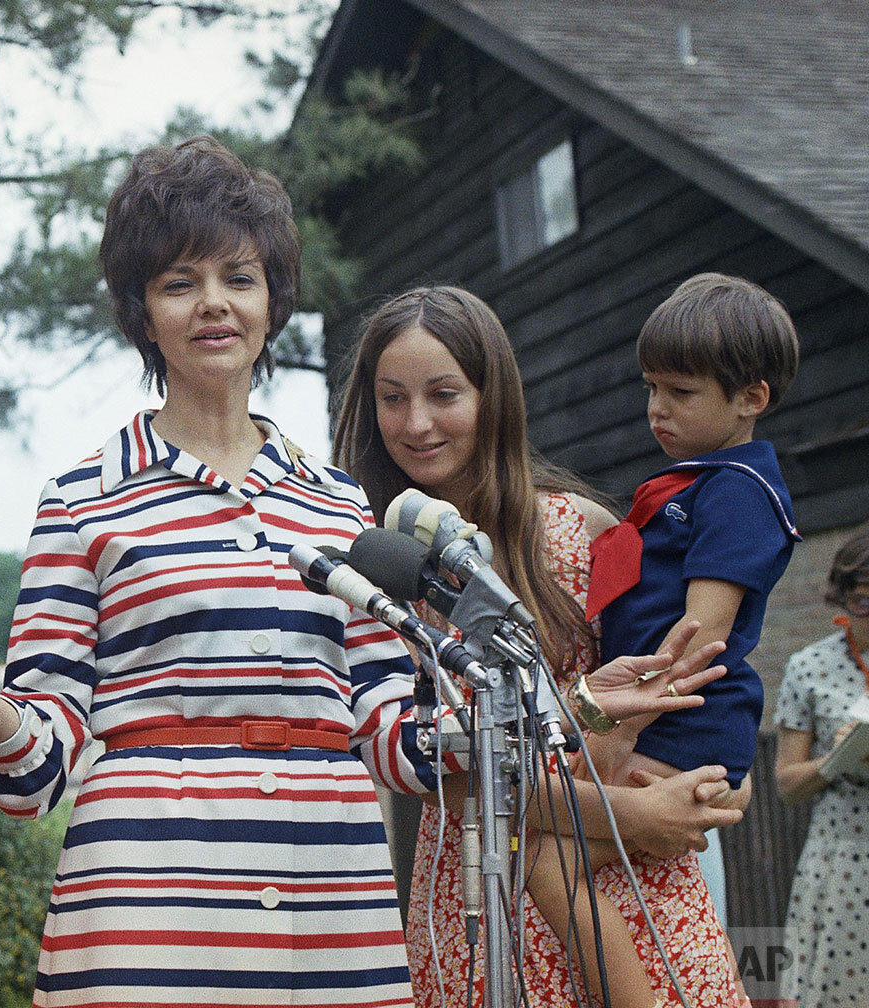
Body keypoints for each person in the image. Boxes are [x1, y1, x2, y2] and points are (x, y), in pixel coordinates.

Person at [0, 135, 422, 1007]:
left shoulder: (341, 503)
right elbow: (36, 770)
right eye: (179, 282)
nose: (215, 305)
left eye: (239, 278)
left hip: (333, 907)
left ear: (272, 301)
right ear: (142, 310)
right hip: (146, 917)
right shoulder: (83, 501)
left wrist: (546, 706)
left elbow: (394, 734)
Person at [332, 284, 749, 1008]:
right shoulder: (371, 564)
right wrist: (634, 816)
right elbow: (448, 772)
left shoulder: (582, 528)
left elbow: (677, 684)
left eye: (444, 394)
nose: (418, 422)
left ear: (493, 398)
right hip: (486, 886)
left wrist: (714, 779)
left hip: (630, 884)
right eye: (392, 398)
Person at [536, 272, 799, 1004]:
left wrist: (619, 736)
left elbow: (699, 640)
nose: (656, 409)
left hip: (679, 717)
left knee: (546, 856)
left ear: (752, 398)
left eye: (680, 393)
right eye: (651, 387)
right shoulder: (698, 482)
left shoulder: (742, 493)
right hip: (662, 713)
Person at [775, 519, 869, 1008]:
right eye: (865, 603)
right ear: (842, 597)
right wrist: (837, 759)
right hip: (844, 861)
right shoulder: (808, 666)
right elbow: (787, 785)